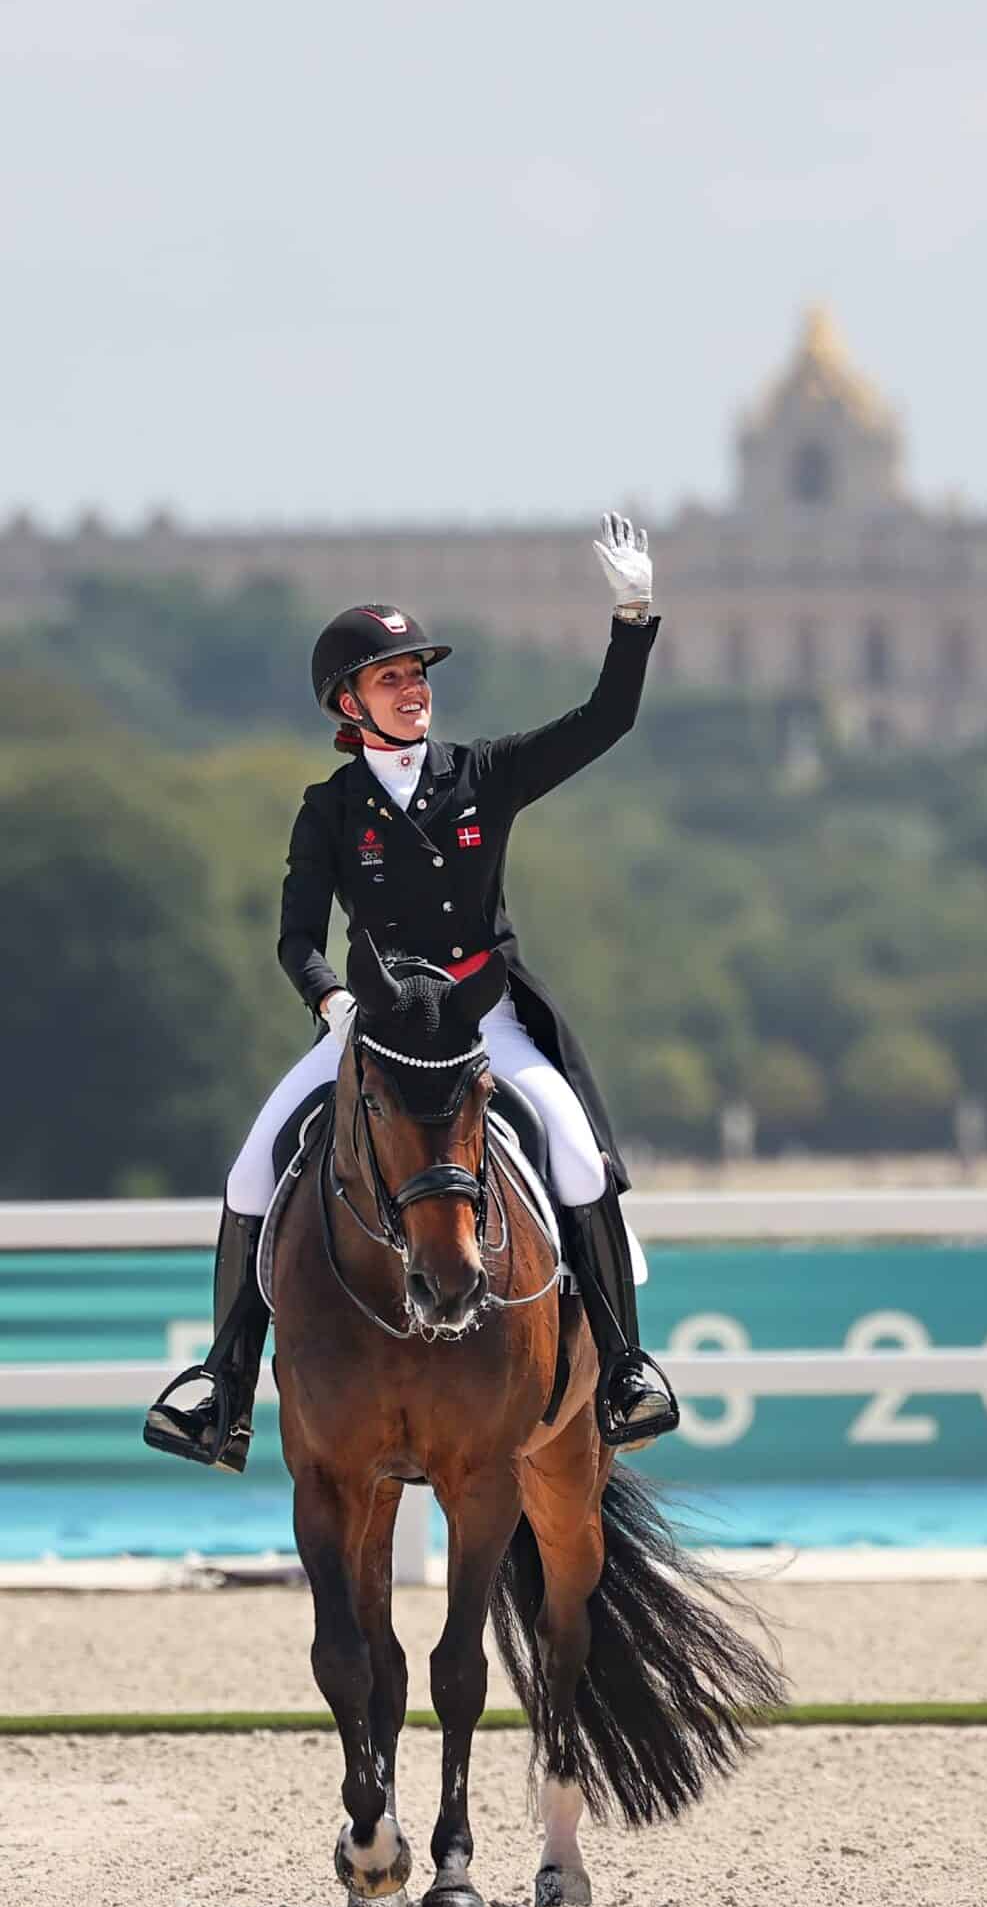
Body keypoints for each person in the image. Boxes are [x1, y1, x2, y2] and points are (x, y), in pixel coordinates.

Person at [144, 511, 680, 1473]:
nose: (414, 689)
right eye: (392, 678)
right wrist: (331, 1003)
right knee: (249, 1171)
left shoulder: (484, 774)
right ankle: (223, 1388)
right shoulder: (330, 810)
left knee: (578, 1157)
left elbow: (608, 720)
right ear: (347, 702)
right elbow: (298, 937)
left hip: (484, 1015)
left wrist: (633, 615)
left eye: (420, 674)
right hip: (374, 1022)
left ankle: (628, 1368)